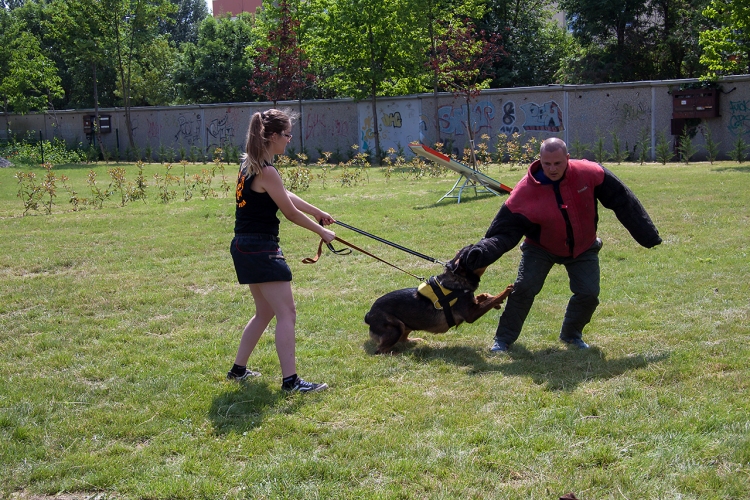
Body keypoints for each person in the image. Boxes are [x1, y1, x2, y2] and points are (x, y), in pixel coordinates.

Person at [460, 137, 662, 352]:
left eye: (558, 163)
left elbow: (623, 200)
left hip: (584, 246)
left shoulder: (590, 173)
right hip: (540, 248)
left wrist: (647, 235)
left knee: (588, 294)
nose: (552, 169)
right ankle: (503, 340)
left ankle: (571, 335)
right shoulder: (524, 192)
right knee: (524, 289)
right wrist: (482, 252)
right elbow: (502, 233)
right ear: (540, 160)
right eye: (547, 164)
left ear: (567, 158)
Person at [226, 109, 336, 392]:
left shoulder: (250, 164)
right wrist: (320, 230)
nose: (289, 140)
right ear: (272, 136)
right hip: (260, 248)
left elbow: (284, 194)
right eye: (286, 135)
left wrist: (318, 211)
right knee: (287, 313)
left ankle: (238, 371)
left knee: (264, 312)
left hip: (245, 246)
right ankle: (291, 382)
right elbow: (288, 212)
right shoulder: (267, 170)